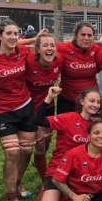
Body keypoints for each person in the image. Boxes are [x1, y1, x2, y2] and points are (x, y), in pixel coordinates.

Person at [0, 20, 37, 201]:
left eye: (16, 33)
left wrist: (37, 39)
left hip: (25, 106)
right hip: (2, 111)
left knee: (27, 151)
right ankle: (10, 196)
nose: (14, 37)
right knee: (12, 153)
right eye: (9, 33)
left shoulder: (23, 53)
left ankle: (17, 183)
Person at [35, 86, 102, 201]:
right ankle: (48, 191)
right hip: (58, 171)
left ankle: (67, 200)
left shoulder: (95, 126)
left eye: (98, 102)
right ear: (82, 101)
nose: (95, 105)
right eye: (92, 101)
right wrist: (49, 98)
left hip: (80, 174)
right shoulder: (68, 118)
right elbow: (39, 121)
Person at [26, 33, 63, 181]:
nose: (49, 48)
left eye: (52, 45)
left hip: (47, 105)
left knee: (47, 140)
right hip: (29, 107)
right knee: (39, 143)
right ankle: (45, 181)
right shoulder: (28, 60)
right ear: (37, 49)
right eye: (45, 45)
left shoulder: (59, 60)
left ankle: (38, 161)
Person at [55, 21, 101, 114]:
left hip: (91, 100)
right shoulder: (62, 48)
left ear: (93, 37)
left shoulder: (98, 49)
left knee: (94, 127)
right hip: (68, 100)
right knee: (66, 128)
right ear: (76, 35)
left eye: (89, 35)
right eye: (83, 35)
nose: (86, 38)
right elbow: (43, 48)